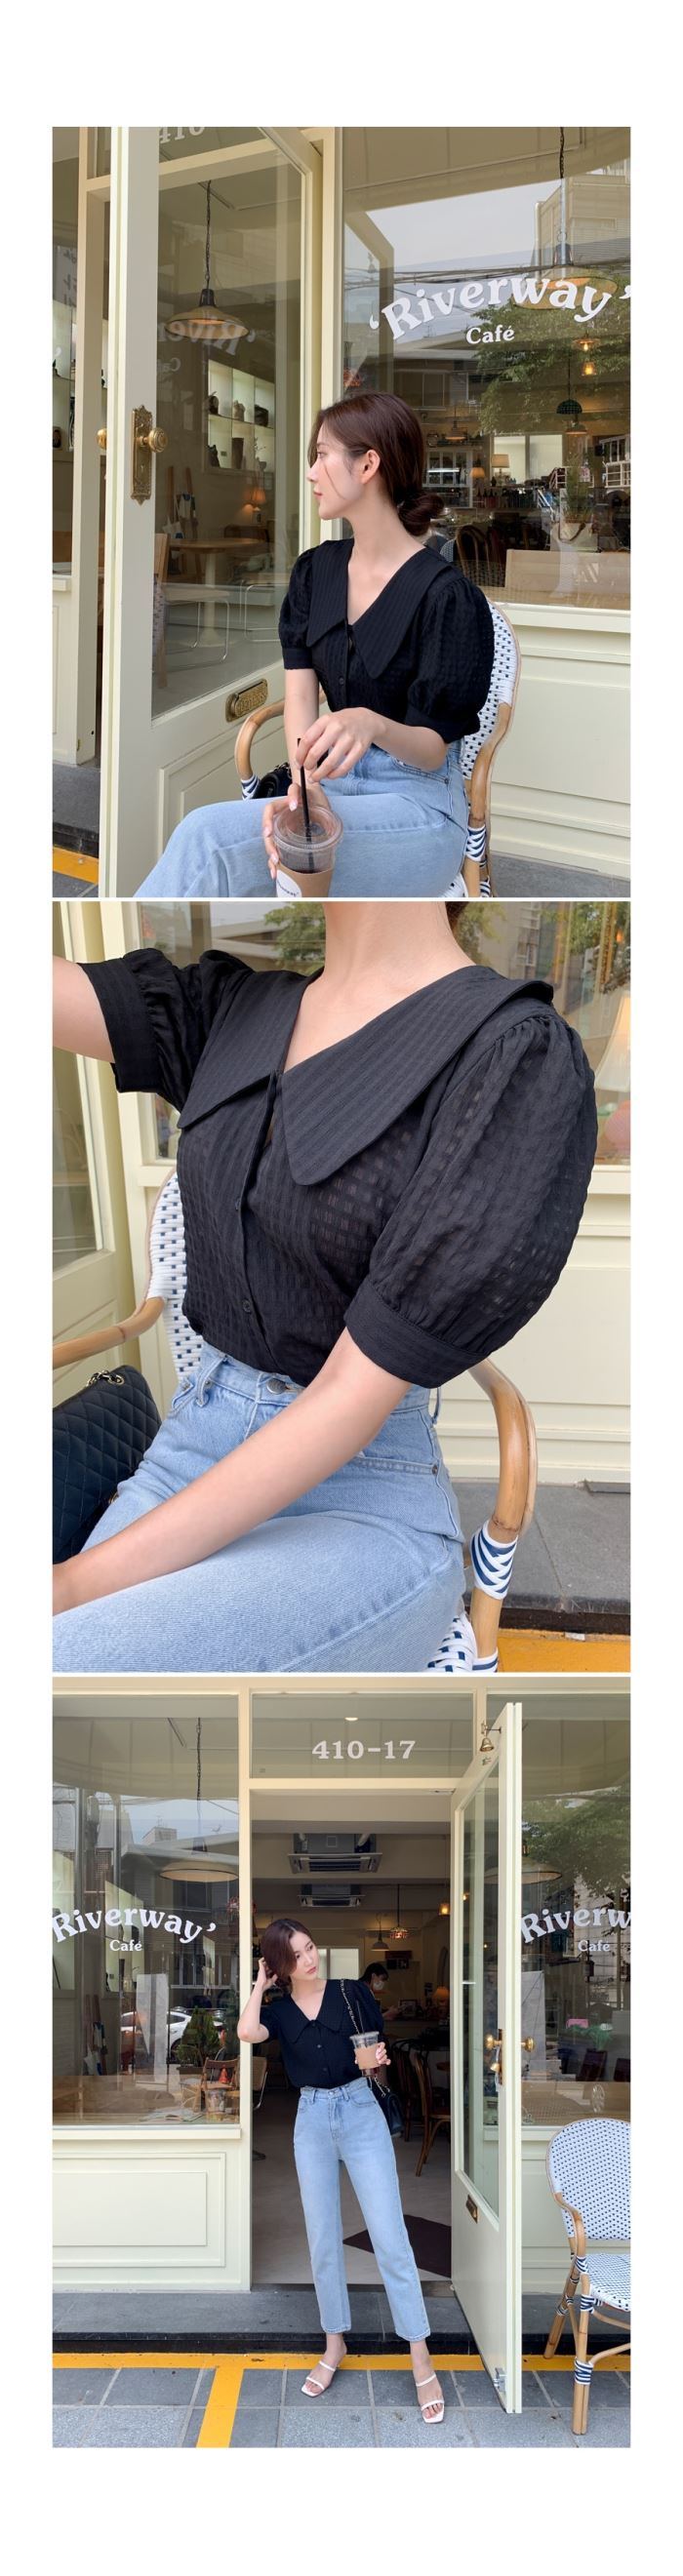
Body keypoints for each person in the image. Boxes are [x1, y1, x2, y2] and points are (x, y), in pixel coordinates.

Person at [53, 900, 597, 1673]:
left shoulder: (511, 1056)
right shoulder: (229, 1008)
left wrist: (72, 1583)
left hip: (362, 1496)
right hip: (191, 1449)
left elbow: (350, 1396)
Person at [136, 390, 495, 902]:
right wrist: (307, 787)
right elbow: (301, 698)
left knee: (211, 841)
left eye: (322, 455)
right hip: (328, 785)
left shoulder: (447, 597)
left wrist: (370, 723)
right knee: (235, 848)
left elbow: (433, 750)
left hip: (416, 804)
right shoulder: (315, 571)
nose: (310, 473)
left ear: (368, 464)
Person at [238, 1920, 446, 2424]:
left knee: (389, 2235)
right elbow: (246, 2032)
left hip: (359, 2111)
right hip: (311, 2119)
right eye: (296, 1955)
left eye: (310, 1947)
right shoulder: (279, 2011)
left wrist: (377, 2061)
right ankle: (334, 2343)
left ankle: (420, 2356)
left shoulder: (352, 1992)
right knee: (322, 2238)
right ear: (280, 1965)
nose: (310, 1959)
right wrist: (259, 1984)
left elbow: (376, 2060)